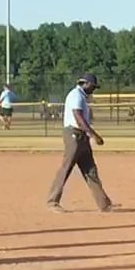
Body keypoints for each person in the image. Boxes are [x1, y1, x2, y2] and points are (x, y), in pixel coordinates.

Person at [45, 74, 117, 213]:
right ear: (86, 83)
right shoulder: (75, 95)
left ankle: (104, 204)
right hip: (74, 134)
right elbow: (78, 117)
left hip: (82, 135)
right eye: (93, 86)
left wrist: (88, 134)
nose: (93, 90)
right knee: (67, 167)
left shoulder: (82, 96)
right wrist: (93, 134)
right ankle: (52, 201)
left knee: (90, 170)